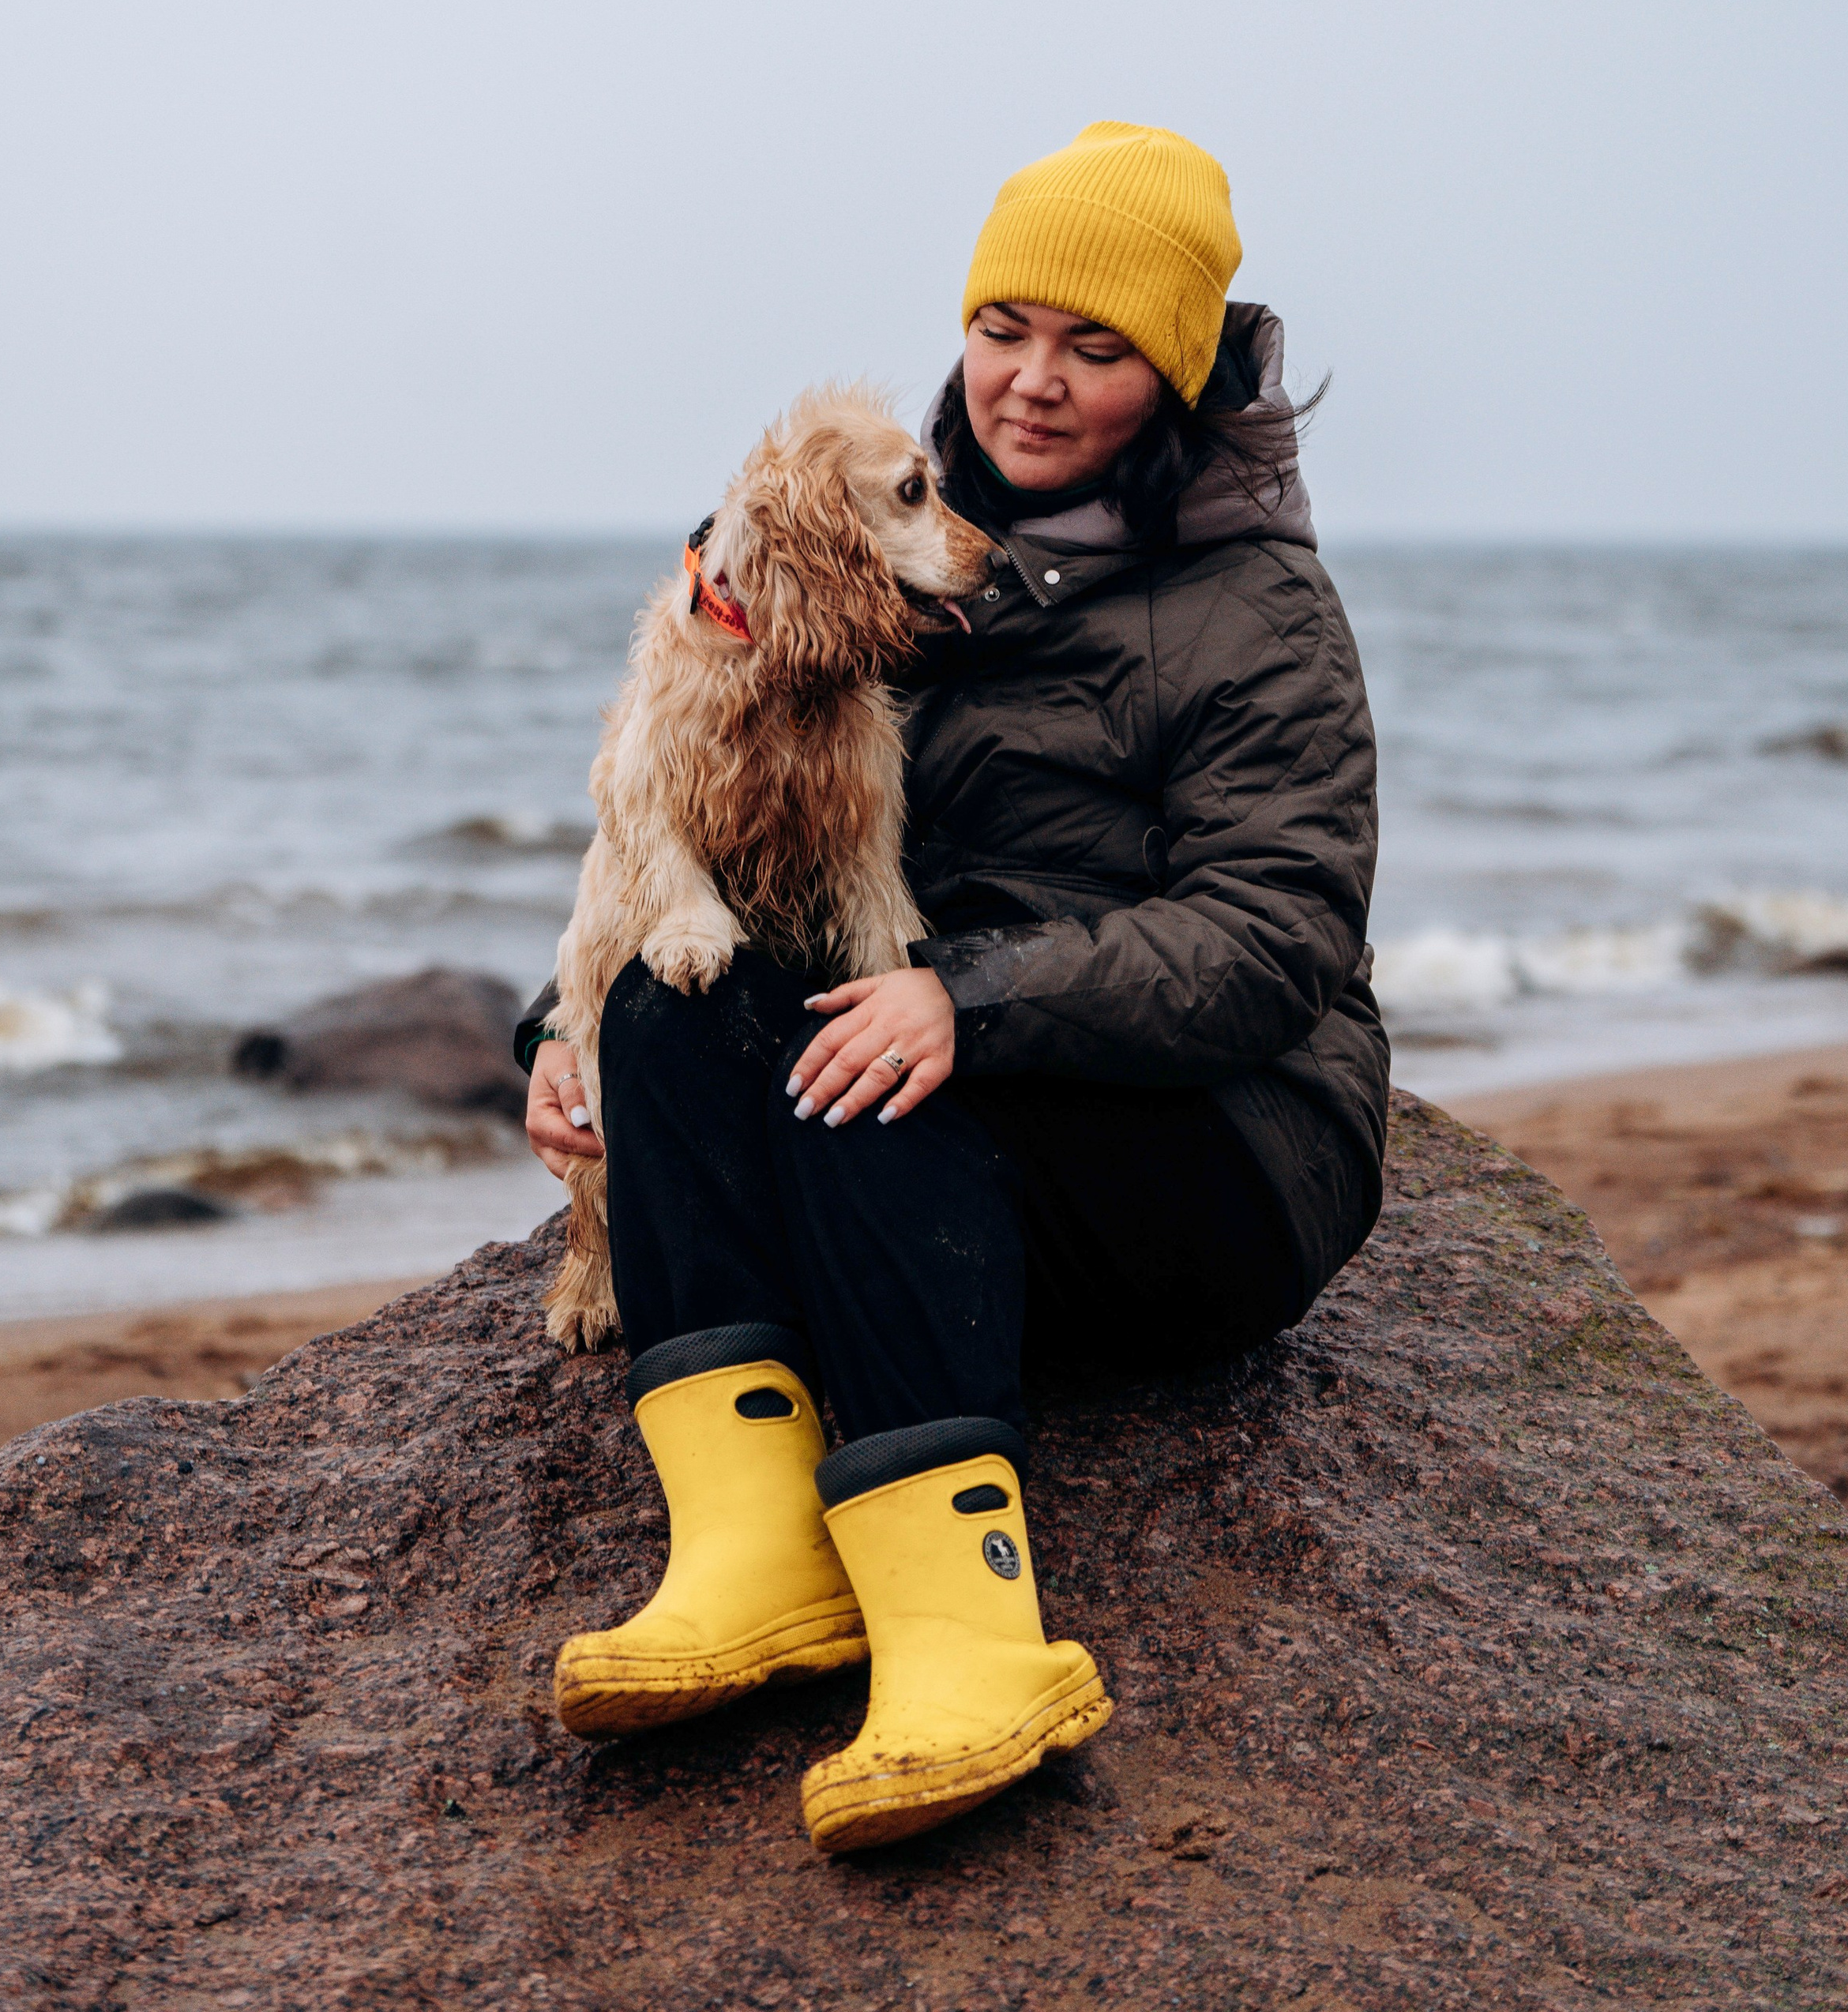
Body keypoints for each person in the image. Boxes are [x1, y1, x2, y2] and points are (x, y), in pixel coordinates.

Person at [518, 120, 1384, 1856]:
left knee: (873, 1090)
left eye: (1094, 345)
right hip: (941, 1037)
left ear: (1177, 370)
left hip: (1214, 1142)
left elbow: (1272, 934)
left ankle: (977, 1652)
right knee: (670, 1018)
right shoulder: (869, 527)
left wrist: (963, 1001)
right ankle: (759, 1557)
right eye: (1002, 326)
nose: (1030, 381)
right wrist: (568, 1033)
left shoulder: (1258, 610)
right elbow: (680, 797)